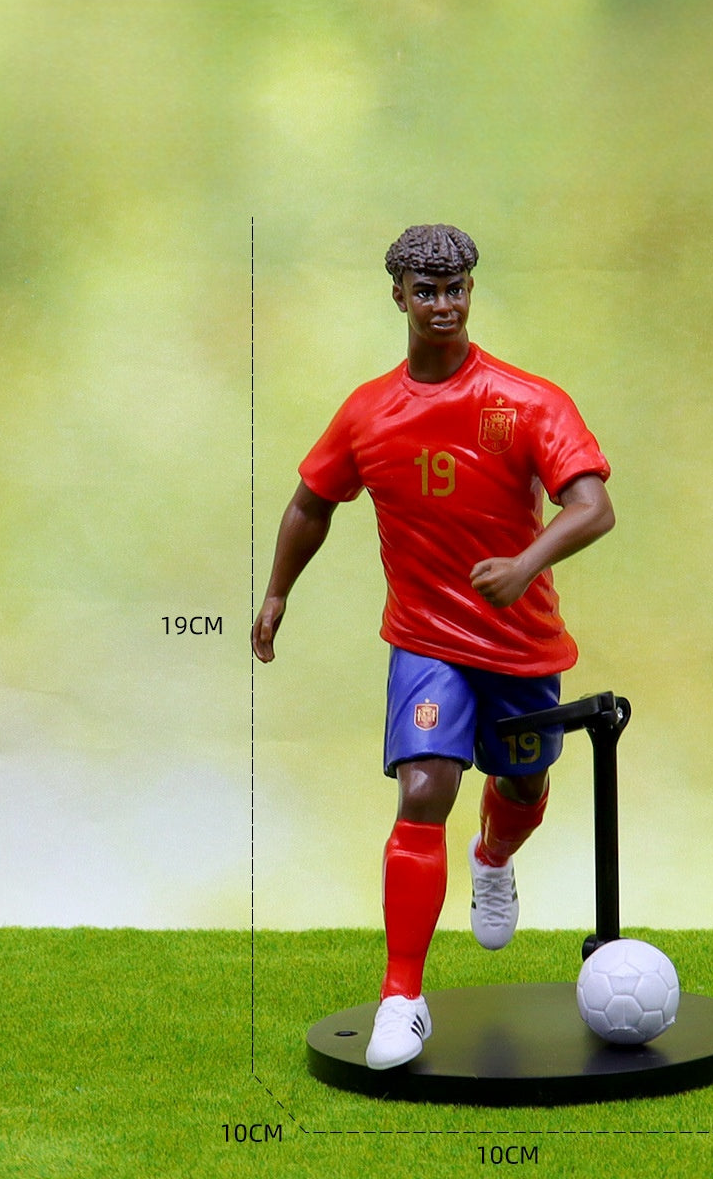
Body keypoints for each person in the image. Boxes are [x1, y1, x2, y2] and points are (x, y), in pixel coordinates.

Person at [251, 224, 614, 1070]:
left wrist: (525, 564)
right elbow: (311, 503)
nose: (442, 305)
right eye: (426, 291)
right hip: (426, 642)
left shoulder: (528, 401)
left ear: (471, 292)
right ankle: (402, 998)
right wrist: (276, 594)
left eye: (454, 290)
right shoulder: (368, 411)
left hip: (519, 641)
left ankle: (494, 855)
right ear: (400, 297)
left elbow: (593, 507)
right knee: (423, 790)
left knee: (524, 782)